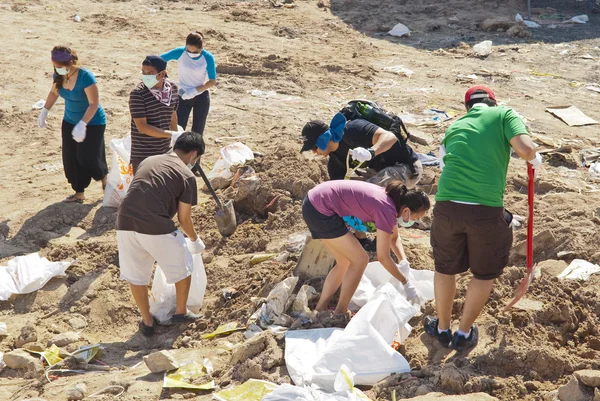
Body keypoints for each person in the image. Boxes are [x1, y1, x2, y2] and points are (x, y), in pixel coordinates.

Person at [424, 85, 542, 350]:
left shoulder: (454, 126)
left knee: (444, 269)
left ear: (467, 108)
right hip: (485, 212)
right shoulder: (503, 115)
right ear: (493, 101)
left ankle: (442, 329)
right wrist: (534, 157)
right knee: (483, 274)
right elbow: (525, 148)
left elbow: (446, 165)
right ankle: (463, 334)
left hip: (446, 209)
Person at [116, 131, 206, 336]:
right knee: (183, 264)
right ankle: (181, 312)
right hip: (154, 224)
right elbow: (184, 219)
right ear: (193, 154)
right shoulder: (187, 175)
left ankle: (147, 321)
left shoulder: (149, 160)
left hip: (124, 222)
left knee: (137, 274)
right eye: (197, 159)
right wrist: (194, 239)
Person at [302, 180, 431, 313]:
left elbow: (394, 237)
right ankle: (341, 311)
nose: (414, 222)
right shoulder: (387, 209)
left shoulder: (392, 202)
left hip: (314, 202)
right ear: (406, 210)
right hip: (320, 209)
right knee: (360, 260)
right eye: (415, 218)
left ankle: (321, 307)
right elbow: (383, 257)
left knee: (344, 262)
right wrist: (406, 283)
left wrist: (403, 261)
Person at [38, 46, 108, 203]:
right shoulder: (59, 75)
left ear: (70, 63)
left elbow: (94, 103)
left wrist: (83, 123)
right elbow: (54, 92)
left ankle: (104, 179)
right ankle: (79, 192)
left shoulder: (86, 77)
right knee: (71, 159)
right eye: (54, 66)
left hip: (92, 122)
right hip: (69, 121)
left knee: (88, 156)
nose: (56, 69)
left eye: (59, 66)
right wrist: (45, 110)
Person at [300, 115, 423, 188]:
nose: (314, 152)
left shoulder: (353, 129)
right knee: (354, 190)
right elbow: (339, 189)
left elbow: (390, 137)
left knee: (368, 191)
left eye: (314, 147)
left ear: (323, 139)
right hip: (378, 171)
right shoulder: (335, 162)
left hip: (406, 168)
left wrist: (371, 152)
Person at [129, 55, 179, 174]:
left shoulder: (173, 89)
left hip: (165, 152)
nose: (146, 76)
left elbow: (172, 114)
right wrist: (171, 134)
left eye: (150, 73)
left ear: (162, 74)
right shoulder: (138, 94)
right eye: (144, 72)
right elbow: (142, 127)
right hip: (144, 156)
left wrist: (175, 139)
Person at [161, 31, 216, 136]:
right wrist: (166, 78)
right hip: (182, 94)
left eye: (194, 52)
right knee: (178, 128)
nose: (191, 54)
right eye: (188, 50)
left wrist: (195, 91)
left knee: (197, 131)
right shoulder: (180, 52)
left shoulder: (208, 57)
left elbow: (212, 81)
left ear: (201, 48)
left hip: (201, 97)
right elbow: (159, 60)